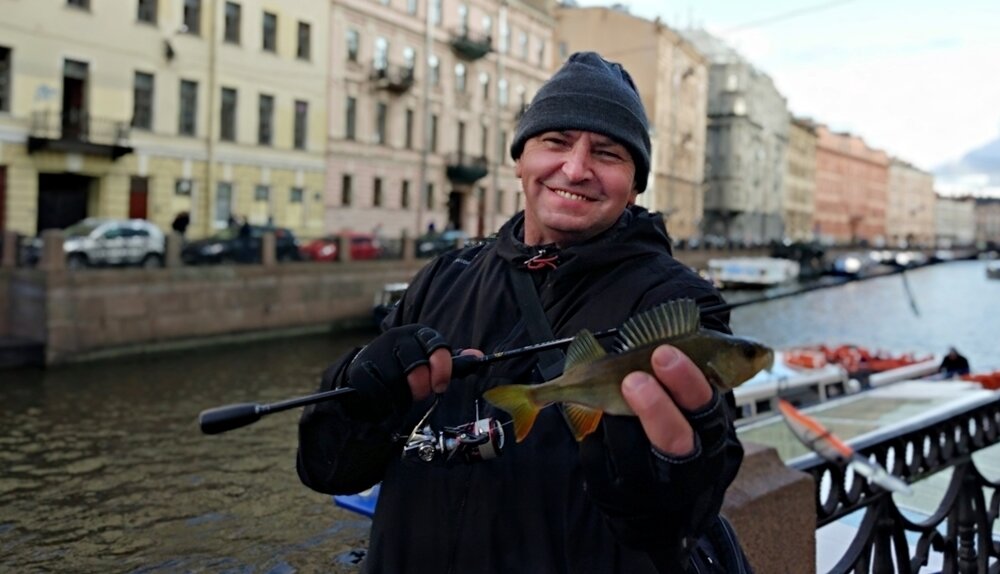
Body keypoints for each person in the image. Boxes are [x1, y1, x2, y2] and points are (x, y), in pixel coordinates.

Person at [297, 52, 749, 573]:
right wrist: (355, 392)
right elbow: (329, 472)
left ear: (635, 184)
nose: (575, 169)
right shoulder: (443, 278)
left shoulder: (679, 302)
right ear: (519, 159)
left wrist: (670, 466)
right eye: (555, 142)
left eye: (606, 153)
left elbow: (676, 518)